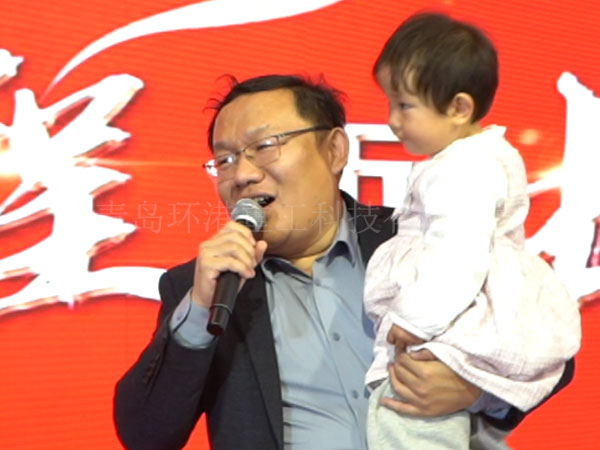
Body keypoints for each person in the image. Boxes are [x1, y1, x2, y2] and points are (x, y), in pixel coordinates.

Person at [113, 74, 575, 450]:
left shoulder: (423, 237)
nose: (243, 174)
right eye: (226, 160)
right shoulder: (204, 289)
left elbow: (547, 340)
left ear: (334, 150)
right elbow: (145, 434)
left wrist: (477, 390)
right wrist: (199, 311)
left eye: (265, 145)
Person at [363, 12, 581, 450]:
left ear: (459, 108)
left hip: (453, 319)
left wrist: (414, 317)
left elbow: (456, 253)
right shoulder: (480, 157)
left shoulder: (462, 168)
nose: (392, 120)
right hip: (472, 315)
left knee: (406, 411)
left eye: (405, 106)